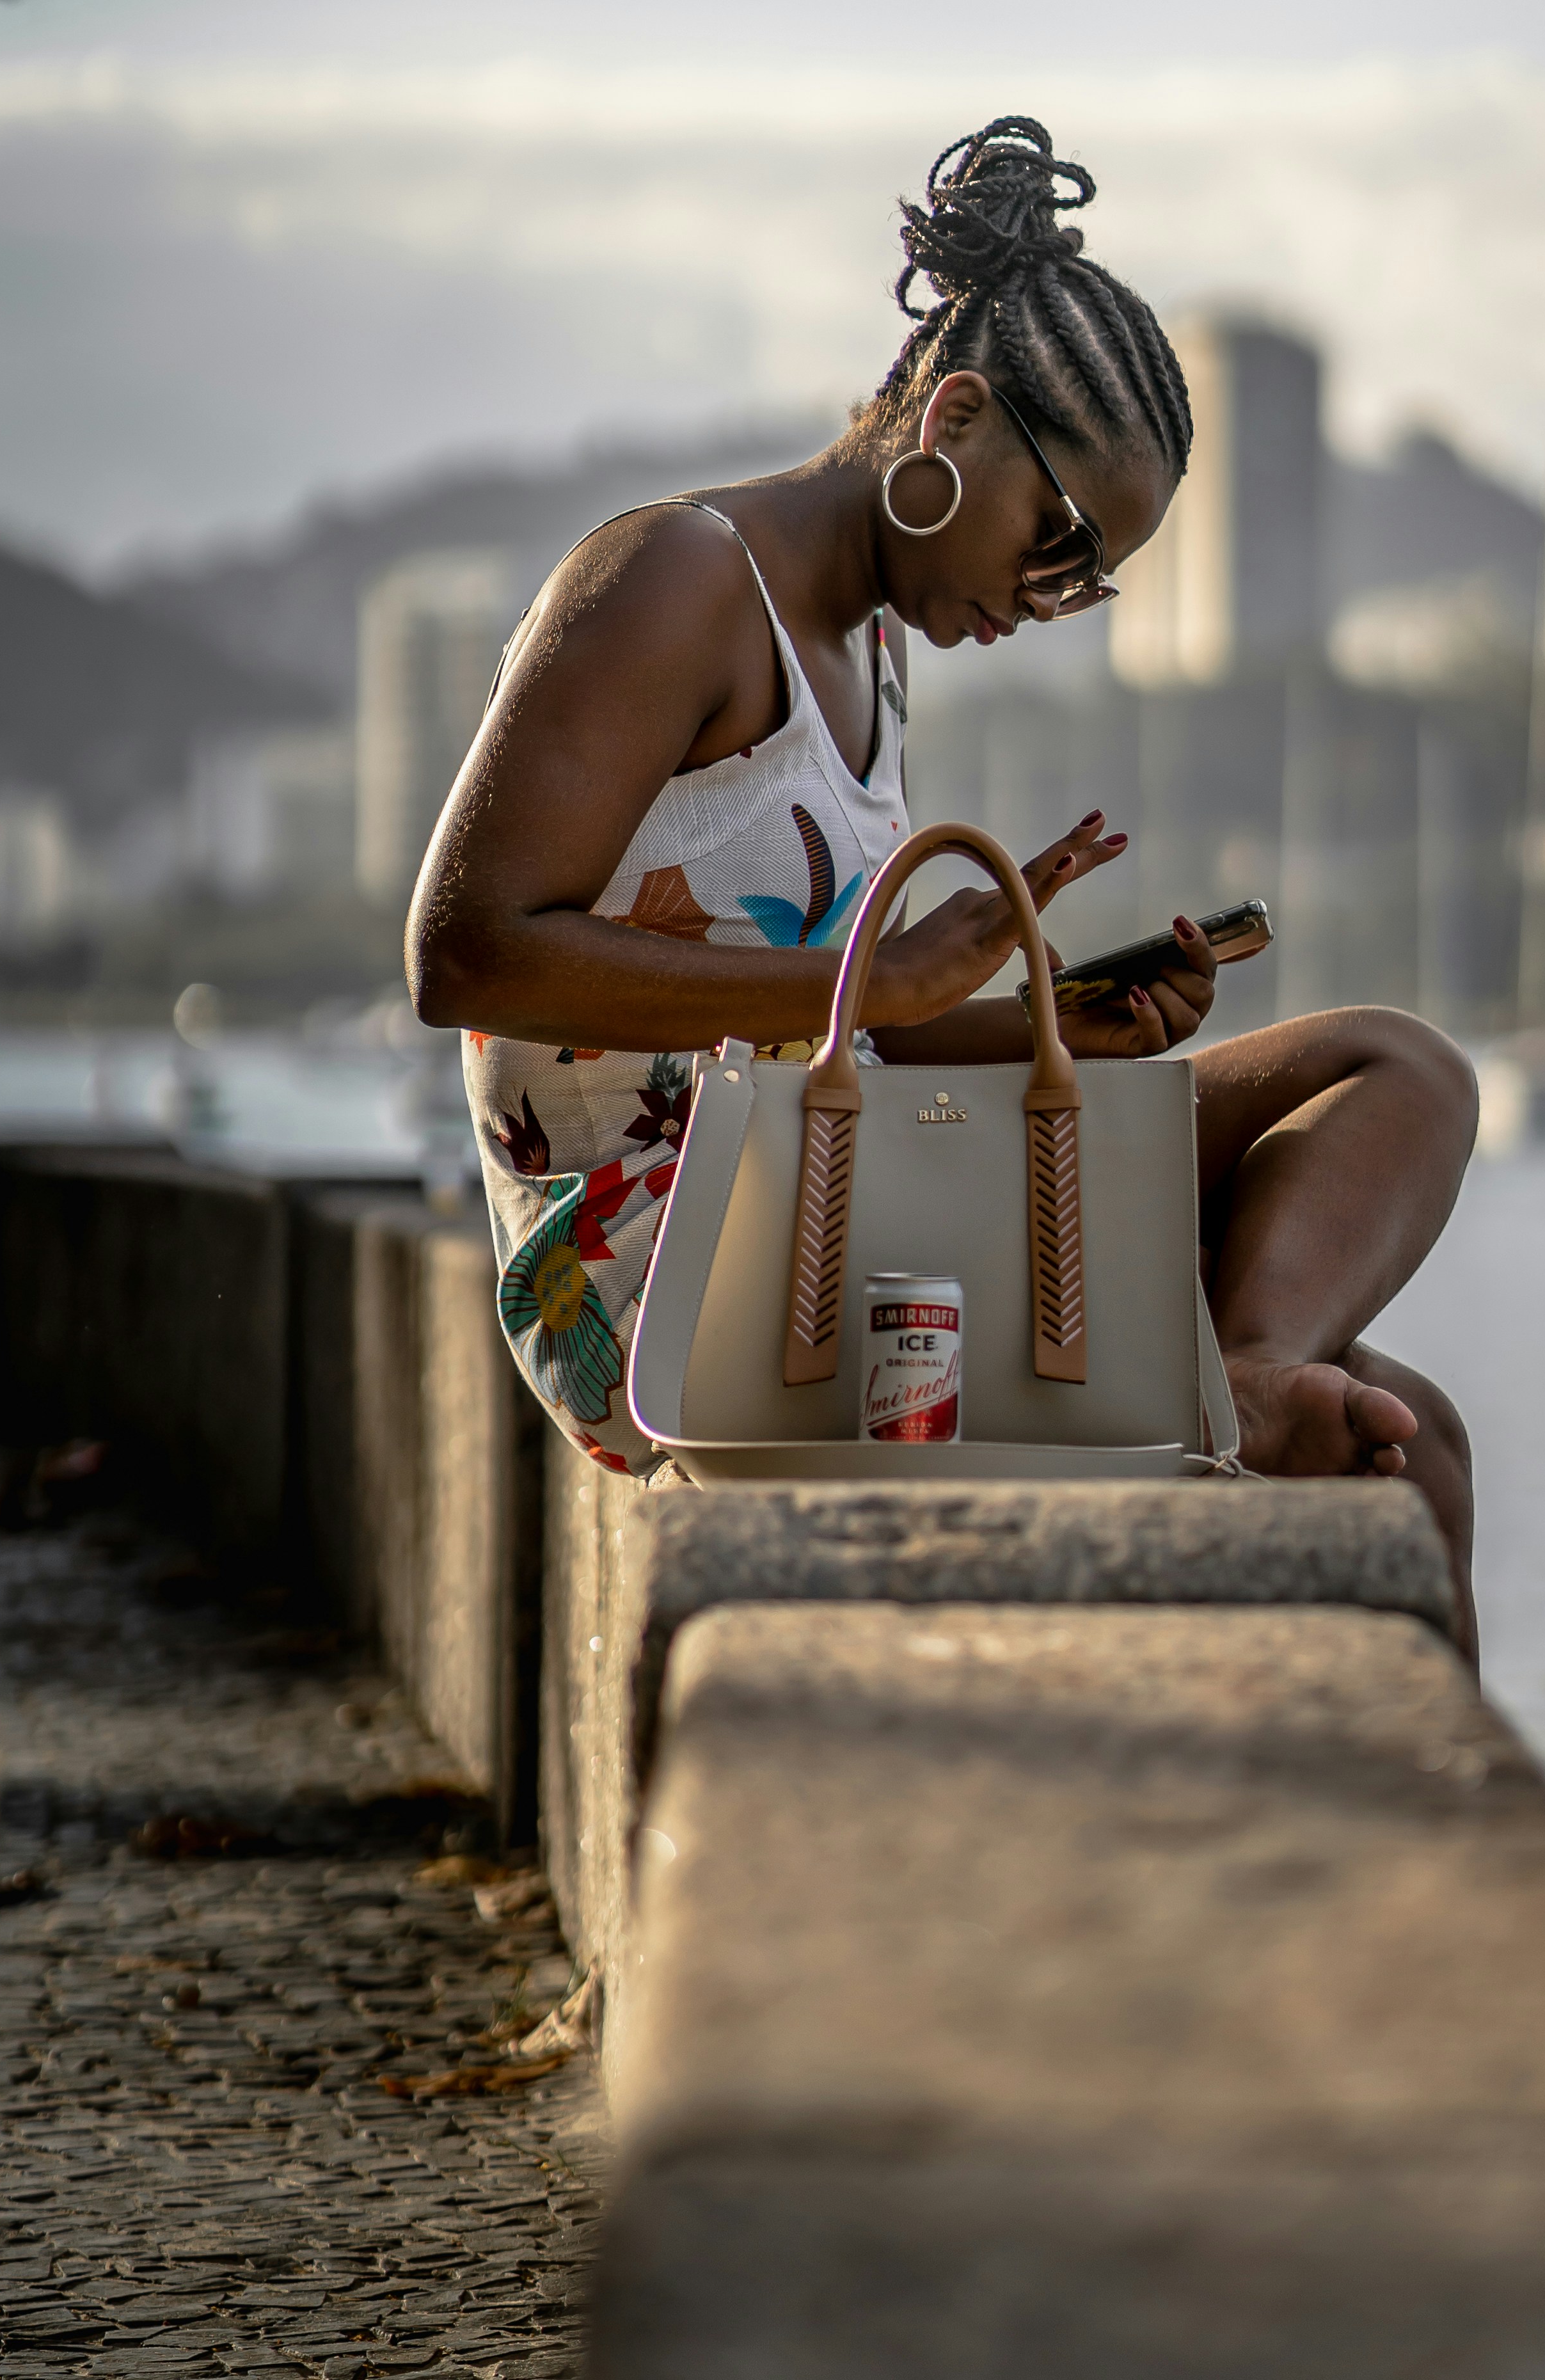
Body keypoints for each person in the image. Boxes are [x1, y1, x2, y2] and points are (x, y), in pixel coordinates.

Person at [407, 118, 1482, 1653]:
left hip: (826, 1189)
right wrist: (872, 985)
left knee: (1404, 1256)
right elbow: (464, 952)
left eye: (1087, 580)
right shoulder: (676, 580)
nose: (1051, 601)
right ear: (954, 417)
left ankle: (1232, 1391)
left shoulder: (876, 661)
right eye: (1055, 542)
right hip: (658, 1268)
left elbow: (844, 1052)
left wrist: (1061, 1023)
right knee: (1373, 1397)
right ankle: (1219, 1408)